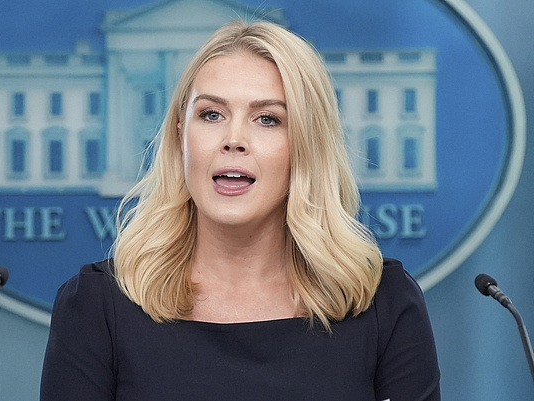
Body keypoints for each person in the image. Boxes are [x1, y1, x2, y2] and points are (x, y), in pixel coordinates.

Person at [40, 19, 440, 400]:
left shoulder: (384, 304)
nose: (234, 139)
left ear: (307, 143)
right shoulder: (95, 307)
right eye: (211, 114)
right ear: (180, 134)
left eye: (267, 119)